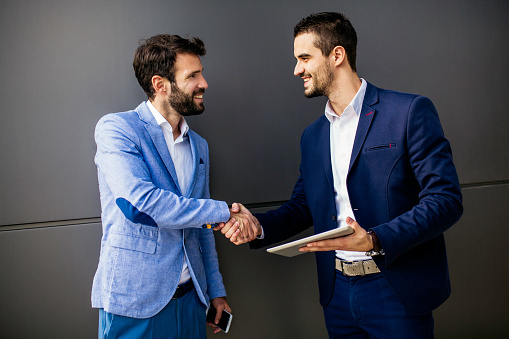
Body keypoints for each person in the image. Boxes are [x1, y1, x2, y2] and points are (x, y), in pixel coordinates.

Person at [218, 12, 463, 338]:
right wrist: (258, 226)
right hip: (338, 294)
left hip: (395, 288)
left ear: (337, 55)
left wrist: (376, 238)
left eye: (304, 58)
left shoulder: (408, 112)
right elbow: (303, 206)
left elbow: (445, 200)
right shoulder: (313, 136)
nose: (297, 69)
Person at [91, 34, 250, 338]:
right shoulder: (118, 129)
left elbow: (200, 227)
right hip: (135, 303)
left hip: (192, 301)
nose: (204, 83)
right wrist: (225, 212)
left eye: (200, 73)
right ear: (160, 84)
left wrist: (214, 290)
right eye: (193, 76)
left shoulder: (199, 146)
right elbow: (139, 204)